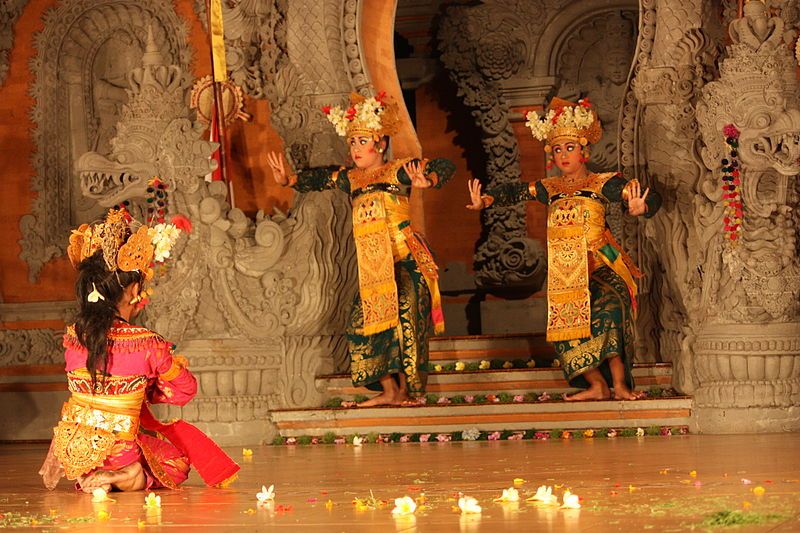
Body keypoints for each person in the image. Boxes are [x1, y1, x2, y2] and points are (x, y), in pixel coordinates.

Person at [267, 92, 455, 406]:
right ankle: (389, 390)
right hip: (373, 269)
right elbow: (320, 178)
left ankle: (412, 392)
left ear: (380, 143)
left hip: (405, 260)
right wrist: (289, 180)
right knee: (360, 324)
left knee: (406, 320)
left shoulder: (397, 171)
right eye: (352, 142)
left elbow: (443, 165)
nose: (354, 149)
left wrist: (429, 178)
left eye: (362, 141)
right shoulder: (351, 178)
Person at [467, 97, 661, 401]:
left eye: (570, 148)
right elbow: (515, 191)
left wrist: (641, 206)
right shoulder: (550, 188)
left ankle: (621, 384)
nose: (563, 155)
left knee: (610, 312)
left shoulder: (602, 183)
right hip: (566, 274)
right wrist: (487, 199)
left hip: (602, 265)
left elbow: (646, 197)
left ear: (584, 150)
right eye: (557, 150)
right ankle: (596, 384)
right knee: (565, 328)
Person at [38, 209, 239, 492]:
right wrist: (160, 376)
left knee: (119, 435)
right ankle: (128, 474)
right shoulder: (146, 343)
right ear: (133, 290)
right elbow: (184, 391)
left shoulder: (74, 336)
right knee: (176, 463)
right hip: (120, 450)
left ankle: (95, 477)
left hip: (77, 452)